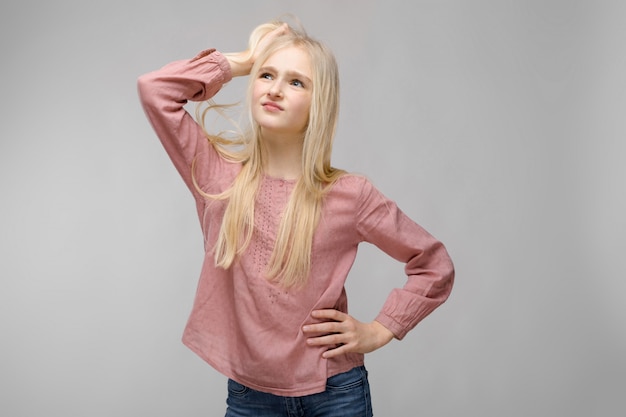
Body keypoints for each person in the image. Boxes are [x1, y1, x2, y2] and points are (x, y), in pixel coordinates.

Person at [137, 18, 454, 417]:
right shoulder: (217, 177)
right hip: (251, 396)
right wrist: (243, 60)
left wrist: (379, 329)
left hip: (335, 391)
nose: (274, 88)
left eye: (296, 82)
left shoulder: (350, 195)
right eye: (266, 75)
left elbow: (433, 264)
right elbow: (155, 91)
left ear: (318, 104)